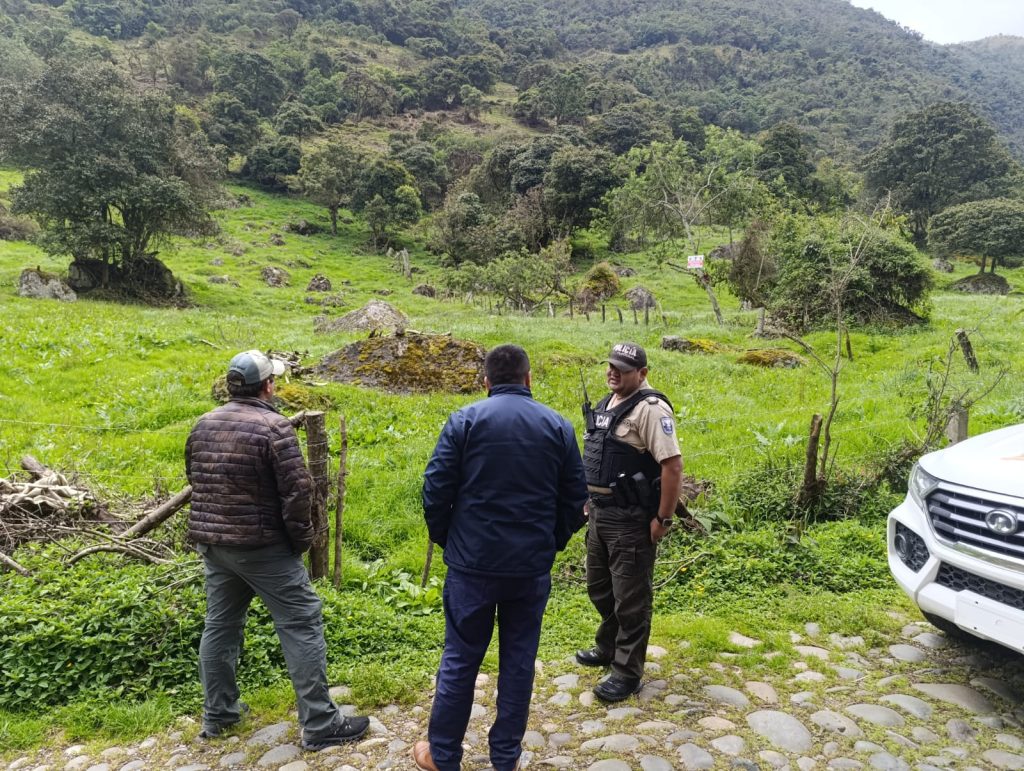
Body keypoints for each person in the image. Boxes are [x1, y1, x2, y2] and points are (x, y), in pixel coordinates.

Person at [413, 344, 588, 771]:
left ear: (486, 381)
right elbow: (577, 500)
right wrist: (552, 542)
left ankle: (443, 755)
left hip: (471, 565)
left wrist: (446, 539)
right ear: (529, 379)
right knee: (519, 661)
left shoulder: (464, 420)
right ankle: (505, 757)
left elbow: (435, 490)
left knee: (459, 658)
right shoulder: (558, 426)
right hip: (529, 567)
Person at [185, 349, 369, 750]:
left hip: (214, 545)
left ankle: (219, 715)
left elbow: (195, 479)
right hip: (262, 545)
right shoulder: (274, 427)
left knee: (220, 625)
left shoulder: (204, 423)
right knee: (301, 620)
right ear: (268, 385)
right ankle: (321, 724)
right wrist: (301, 540)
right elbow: (298, 491)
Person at [576, 342, 682, 702]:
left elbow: (672, 466)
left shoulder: (651, 409)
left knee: (631, 600)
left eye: (622, 368)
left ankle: (627, 672)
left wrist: (663, 519)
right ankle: (607, 648)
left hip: (631, 520)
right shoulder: (607, 404)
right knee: (600, 589)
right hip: (600, 515)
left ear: (643, 373)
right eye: (611, 365)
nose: (613, 372)